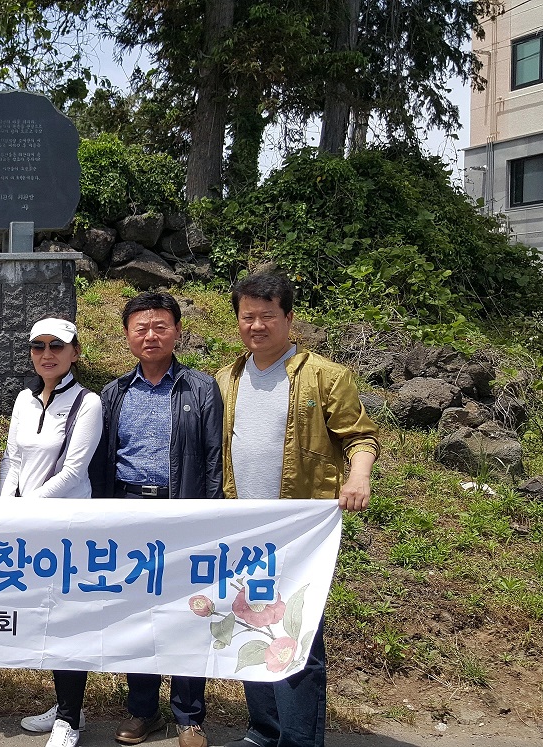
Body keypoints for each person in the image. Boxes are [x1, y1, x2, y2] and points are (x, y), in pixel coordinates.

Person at [216, 271, 378, 747]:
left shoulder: (326, 375)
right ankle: (263, 731)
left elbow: (360, 436)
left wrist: (358, 477)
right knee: (251, 625)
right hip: (243, 528)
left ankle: (300, 740)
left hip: (299, 533)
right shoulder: (227, 378)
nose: (258, 326)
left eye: (268, 316)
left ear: (289, 318)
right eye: (249, 317)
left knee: (297, 634)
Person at [78, 292, 225, 747]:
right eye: (140, 327)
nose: (151, 335)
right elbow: (102, 461)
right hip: (127, 512)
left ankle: (188, 716)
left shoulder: (200, 388)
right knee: (137, 615)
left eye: (161, 326)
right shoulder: (115, 392)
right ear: (126, 336)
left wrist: (210, 516)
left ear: (177, 331)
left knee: (187, 612)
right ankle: (143, 711)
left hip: (182, 511)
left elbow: (213, 459)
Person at [1, 317, 103, 747]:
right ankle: (64, 705)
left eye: (57, 346)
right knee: (42, 617)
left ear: (74, 353)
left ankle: (69, 719)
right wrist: (6, 509)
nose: (47, 354)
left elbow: (74, 470)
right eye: (38, 345)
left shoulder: (88, 402)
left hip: (66, 526)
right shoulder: (24, 399)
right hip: (26, 526)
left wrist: (28, 510)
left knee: (68, 619)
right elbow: (12, 459)